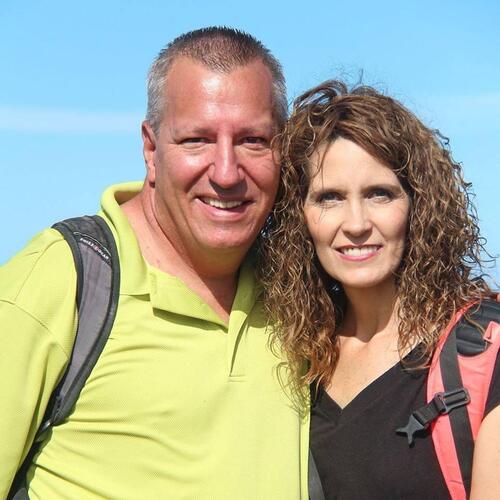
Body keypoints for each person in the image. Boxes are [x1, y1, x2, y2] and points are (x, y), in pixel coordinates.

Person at [0, 27, 309, 499]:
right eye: (196, 140)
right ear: (150, 148)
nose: (226, 172)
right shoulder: (64, 278)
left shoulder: (301, 295)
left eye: (252, 140)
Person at [260, 80, 500, 499]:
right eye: (329, 197)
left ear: (417, 205)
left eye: (379, 194)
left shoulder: (484, 348)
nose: (356, 224)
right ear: (299, 217)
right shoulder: (296, 355)